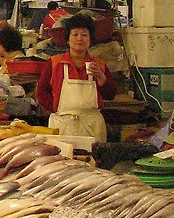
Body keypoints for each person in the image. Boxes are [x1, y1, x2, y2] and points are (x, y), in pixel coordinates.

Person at [35, 13, 116, 142]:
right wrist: (56, 109)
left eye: (84, 35)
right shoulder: (54, 63)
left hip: (92, 127)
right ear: (67, 39)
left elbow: (110, 94)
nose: (80, 39)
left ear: (90, 40)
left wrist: (101, 78)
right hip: (62, 126)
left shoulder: (99, 65)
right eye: (75, 34)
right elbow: (41, 92)